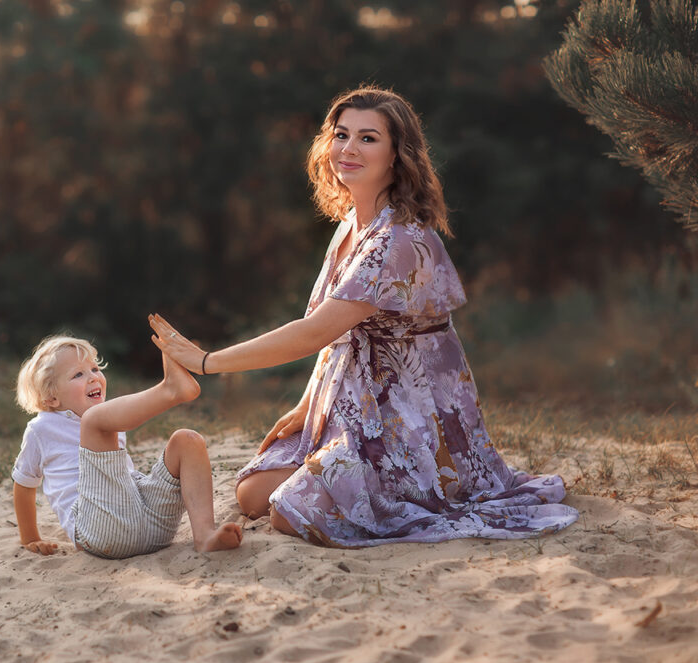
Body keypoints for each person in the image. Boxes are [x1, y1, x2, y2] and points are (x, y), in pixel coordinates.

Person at [150, 86, 578, 548]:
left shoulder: (395, 240)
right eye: (341, 135)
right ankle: (337, 463)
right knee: (253, 494)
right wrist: (310, 406)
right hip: (354, 399)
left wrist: (207, 361)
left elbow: (314, 332)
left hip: (408, 414)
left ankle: (401, 482)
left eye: (368, 138)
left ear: (397, 155)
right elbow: (339, 336)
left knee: (289, 516)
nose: (349, 149)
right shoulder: (350, 226)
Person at [11, 335, 242, 559]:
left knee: (187, 440)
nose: (93, 377)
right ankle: (169, 390)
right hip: (99, 531)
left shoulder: (108, 418)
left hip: (148, 522)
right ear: (51, 398)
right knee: (97, 419)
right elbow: (24, 484)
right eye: (78, 374)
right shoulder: (41, 428)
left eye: (95, 369)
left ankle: (205, 535)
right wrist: (30, 537)